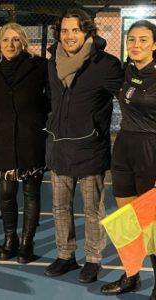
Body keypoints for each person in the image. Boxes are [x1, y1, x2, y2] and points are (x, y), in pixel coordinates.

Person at [43, 8, 124, 283]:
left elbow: (130, 99)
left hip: (91, 148)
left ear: (87, 31)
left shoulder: (106, 65)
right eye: (64, 31)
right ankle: (65, 255)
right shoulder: (52, 61)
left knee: (93, 210)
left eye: (75, 30)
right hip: (59, 147)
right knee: (60, 208)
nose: (69, 36)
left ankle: (93, 259)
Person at [100, 20, 156, 298]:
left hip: (151, 149)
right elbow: (97, 53)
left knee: (152, 222)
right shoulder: (126, 71)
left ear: (155, 45)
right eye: (132, 39)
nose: (136, 45)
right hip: (123, 147)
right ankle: (131, 275)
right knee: (126, 220)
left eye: (143, 40)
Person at [0, 23, 49, 263]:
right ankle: (9, 239)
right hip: (3, 138)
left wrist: (38, 118)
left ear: (23, 42)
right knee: (6, 193)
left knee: (31, 193)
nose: (10, 45)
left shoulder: (39, 65)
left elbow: (49, 97)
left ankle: (27, 243)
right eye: (5, 40)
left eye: (15, 40)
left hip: (31, 137)